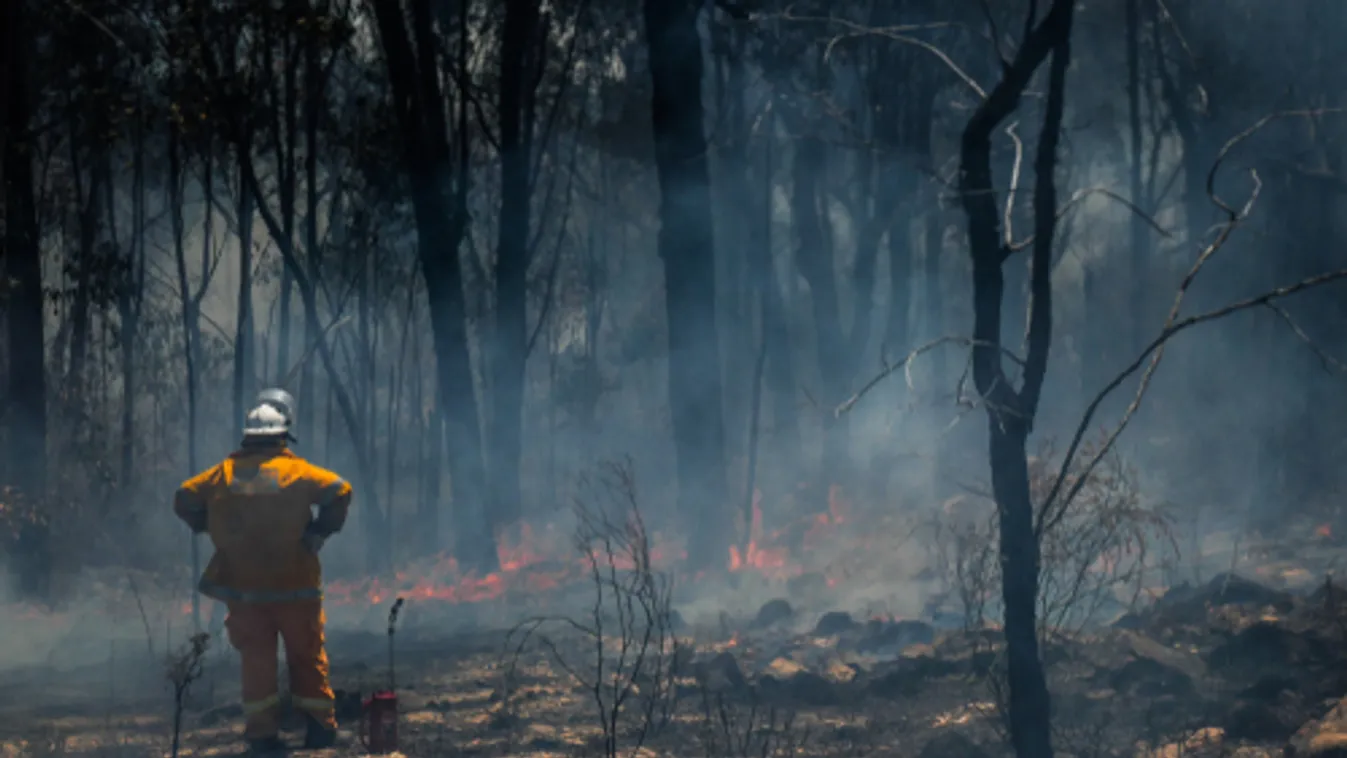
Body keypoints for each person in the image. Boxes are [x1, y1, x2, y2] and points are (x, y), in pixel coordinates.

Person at [172, 388, 353, 754]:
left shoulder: (223, 475)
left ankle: (262, 737)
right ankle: (319, 732)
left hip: (247, 593)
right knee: (307, 658)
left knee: (257, 666)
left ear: (247, 437)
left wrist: (212, 526)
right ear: (284, 435)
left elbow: (184, 498)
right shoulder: (298, 472)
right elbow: (340, 490)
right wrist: (320, 531)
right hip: (297, 588)